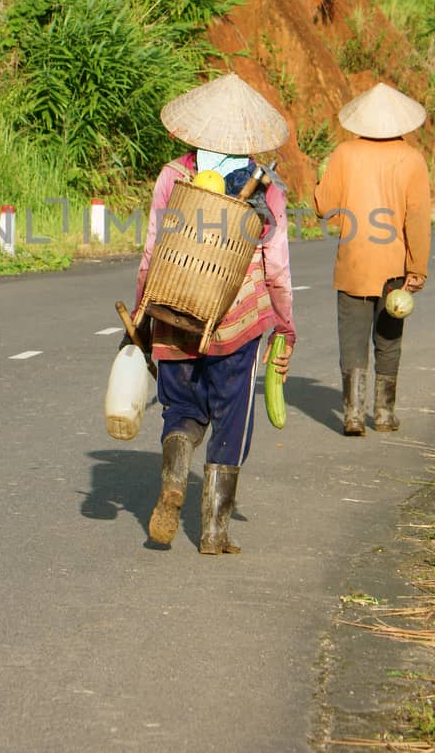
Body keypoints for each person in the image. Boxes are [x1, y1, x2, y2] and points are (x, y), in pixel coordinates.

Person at [132, 73, 297, 555]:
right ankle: (213, 531)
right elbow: (277, 267)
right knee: (231, 418)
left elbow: (151, 254)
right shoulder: (266, 189)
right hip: (237, 320)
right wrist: (284, 325)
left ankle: (175, 474)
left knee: (180, 410)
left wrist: (145, 317)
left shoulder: (173, 176)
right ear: (248, 136)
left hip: (173, 309)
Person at [313, 82, 431, 436]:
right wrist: (417, 268)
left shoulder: (344, 154)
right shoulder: (411, 158)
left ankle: (351, 414)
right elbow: (418, 218)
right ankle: (383, 414)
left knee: (352, 338)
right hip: (394, 267)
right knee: (388, 340)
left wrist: (321, 183)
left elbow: (323, 207)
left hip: (353, 261)